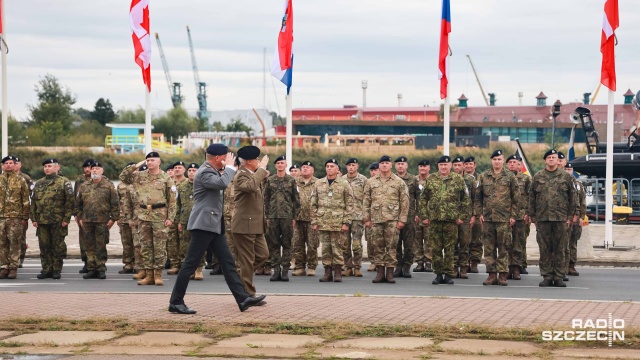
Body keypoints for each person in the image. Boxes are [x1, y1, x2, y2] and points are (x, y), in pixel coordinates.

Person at [168, 144, 266, 314]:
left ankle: (242, 298)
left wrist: (228, 168)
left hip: (213, 224)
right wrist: (229, 167)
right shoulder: (205, 172)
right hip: (203, 225)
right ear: (217, 158)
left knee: (228, 264)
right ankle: (176, 302)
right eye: (225, 157)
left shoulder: (212, 171)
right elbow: (222, 184)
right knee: (190, 264)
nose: (228, 160)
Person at [120, 152, 177, 286]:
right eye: (148, 160)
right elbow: (123, 177)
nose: (149, 162)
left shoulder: (166, 178)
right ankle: (149, 275)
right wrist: (136, 165)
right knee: (145, 246)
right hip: (143, 215)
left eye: (152, 160)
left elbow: (173, 200)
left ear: (159, 162)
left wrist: (171, 218)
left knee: (159, 246)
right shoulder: (140, 176)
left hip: (160, 215)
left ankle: (158, 275)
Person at [529, 149, 576, 287]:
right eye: (549, 157)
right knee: (545, 248)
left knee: (560, 248)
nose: (551, 159)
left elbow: (573, 198)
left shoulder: (566, 177)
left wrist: (570, 216)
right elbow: (532, 198)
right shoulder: (538, 177)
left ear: (558, 160)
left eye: (553, 157)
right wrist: (533, 217)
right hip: (543, 219)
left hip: (561, 218)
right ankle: (547, 275)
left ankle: (559, 276)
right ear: (545, 160)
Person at [419, 155, 468, 285]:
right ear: (438, 166)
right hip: (435, 219)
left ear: (450, 165)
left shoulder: (458, 179)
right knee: (435, 248)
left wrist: (461, 216)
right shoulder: (431, 179)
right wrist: (424, 216)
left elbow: (465, 199)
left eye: (446, 165)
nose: (443, 167)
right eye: (441, 165)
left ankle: (448, 273)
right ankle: (438, 273)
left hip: (451, 220)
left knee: (450, 248)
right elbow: (423, 199)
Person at [474, 150, 519, 286]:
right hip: (488, 218)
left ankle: (503, 274)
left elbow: (516, 198)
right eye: (494, 159)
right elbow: (478, 197)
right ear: (491, 161)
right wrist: (479, 213)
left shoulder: (510, 176)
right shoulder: (483, 176)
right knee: (489, 248)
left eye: (499, 159)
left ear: (503, 160)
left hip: (504, 218)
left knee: (504, 247)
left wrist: (513, 215)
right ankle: (492, 274)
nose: (497, 162)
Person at [363, 155, 409, 284]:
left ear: (391, 165)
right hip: (376, 220)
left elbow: (404, 201)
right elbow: (366, 201)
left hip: (392, 220)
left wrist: (402, 220)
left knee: (391, 246)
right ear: (379, 165)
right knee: (377, 246)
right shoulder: (371, 182)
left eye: (386, 163)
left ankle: (389, 273)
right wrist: (366, 218)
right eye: (382, 163)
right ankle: (379, 273)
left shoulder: (398, 181)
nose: (384, 165)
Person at [232, 146, 270, 296]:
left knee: (263, 255)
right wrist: (261, 170)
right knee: (247, 261)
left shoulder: (251, 174)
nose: (259, 162)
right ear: (249, 161)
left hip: (255, 225)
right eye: (257, 159)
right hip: (244, 225)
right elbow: (251, 186)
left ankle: (240, 276)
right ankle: (248, 293)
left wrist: (260, 172)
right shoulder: (241, 175)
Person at [311, 159, 354, 282]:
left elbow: (349, 204)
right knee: (325, 249)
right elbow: (313, 203)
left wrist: (346, 222)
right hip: (323, 221)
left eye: (332, 166)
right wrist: (314, 221)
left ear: (337, 169)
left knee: (337, 248)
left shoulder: (344, 184)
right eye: (327, 166)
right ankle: (327, 272)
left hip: (338, 222)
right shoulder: (319, 183)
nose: (329, 168)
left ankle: (338, 272)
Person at [75, 162, 119, 280]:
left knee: (100, 245)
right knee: (89, 246)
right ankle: (91, 268)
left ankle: (100, 269)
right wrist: (80, 218)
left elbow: (115, 204)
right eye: (93, 169)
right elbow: (78, 204)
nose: (94, 170)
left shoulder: (109, 186)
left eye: (97, 168)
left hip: (102, 221)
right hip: (87, 221)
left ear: (102, 171)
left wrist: (113, 219)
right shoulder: (84, 186)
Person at [31, 158, 74, 280]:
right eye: (45, 166)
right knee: (44, 246)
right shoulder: (39, 183)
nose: (47, 168)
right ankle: (46, 269)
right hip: (42, 220)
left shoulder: (64, 182)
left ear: (57, 167)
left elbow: (70, 202)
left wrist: (66, 218)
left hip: (58, 220)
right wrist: (33, 218)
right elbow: (33, 202)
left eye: (49, 166)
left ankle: (56, 269)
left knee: (57, 246)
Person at [264, 155, 299, 282]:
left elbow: (296, 200)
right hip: (273, 217)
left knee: (287, 244)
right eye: (278, 163)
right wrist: (267, 216)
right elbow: (266, 199)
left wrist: (294, 217)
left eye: (282, 163)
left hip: (287, 217)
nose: (280, 165)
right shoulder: (270, 180)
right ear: (275, 166)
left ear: (285, 165)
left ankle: (285, 270)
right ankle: (276, 270)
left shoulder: (291, 180)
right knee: (274, 244)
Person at [0, 156, 30, 279]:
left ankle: (13, 267)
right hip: (1, 217)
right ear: (2, 166)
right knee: (2, 243)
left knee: (15, 242)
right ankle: (4, 266)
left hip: (15, 217)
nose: (8, 165)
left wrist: (24, 217)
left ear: (15, 165)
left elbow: (25, 200)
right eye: (6, 163)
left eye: (10, 163)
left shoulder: (20, 180)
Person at [176, 163, 205, 280]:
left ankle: (199, 269)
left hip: (199, 219)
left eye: (194, 170)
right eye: (190, 170)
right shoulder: (182, 186)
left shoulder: (203, 185)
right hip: (185, 220)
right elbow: (178, 205)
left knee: (199, 245)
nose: (191, 172)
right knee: (185, 246)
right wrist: (178, 220)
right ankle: (189, 270)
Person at [393, 156, 419, 279]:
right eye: (398, 164)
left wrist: (418, 214)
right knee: (396, 244)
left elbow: (419, 198)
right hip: (394, 216)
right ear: (395, 166)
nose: (400, 166)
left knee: (409, 245)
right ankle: (398, 266)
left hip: (410, 217)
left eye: (402, 164)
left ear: (406, 166)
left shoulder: (413, 179)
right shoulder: (392, 179)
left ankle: (407, 267)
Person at [291, 161, 319, 276]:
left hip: (312, 219)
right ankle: (300, 266)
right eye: (303, 167)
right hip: (297, 218)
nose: (305, 169)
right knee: (297, 244)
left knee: (312, 244)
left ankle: (312, 267)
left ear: (312, 170)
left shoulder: (318, 183)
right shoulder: (294, 182)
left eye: (308, 167)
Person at [507, 154, 531, 280]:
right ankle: (507, 267)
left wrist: (529, 213)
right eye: (510, 162)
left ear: (519, 165)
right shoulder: (502, 178)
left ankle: (517, 268)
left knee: (518, 243)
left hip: (520, 216)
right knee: (506, 243)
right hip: (505, 216)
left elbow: (530, 197)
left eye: (514, 162)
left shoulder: (526, 179)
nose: (512, 164)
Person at [342, 158, 367, 277]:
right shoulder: (341, 180)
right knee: (345, 243)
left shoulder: (363, 180)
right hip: (344, 217)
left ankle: (357, 267)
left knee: (356, 244)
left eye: (353, 165)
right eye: (349, 165)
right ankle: (348, 267)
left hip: (358, 216)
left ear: (357, 167)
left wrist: (366, 215)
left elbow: (367, 198)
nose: (351, 167)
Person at [451, 156, 475, 279]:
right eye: (455, 165)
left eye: (459, 165)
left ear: (463, 166)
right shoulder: (449, 179)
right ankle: (454, 267)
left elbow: (475, 199)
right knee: (453, 243)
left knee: (465, 243)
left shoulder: (470, 180)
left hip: (466, 216)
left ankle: (464, 268)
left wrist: (473, 215)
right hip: (452, 216)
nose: (457, 167)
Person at [564, 163, 586, 277]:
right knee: (564, 243)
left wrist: (582, 217)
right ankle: (563, 266)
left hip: (576, 218)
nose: (568, 171)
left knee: (573, 242)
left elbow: (582, 201)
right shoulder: (562, 183)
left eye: (570, 169)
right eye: (566, 169)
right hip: (565, 216)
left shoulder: (578, 185)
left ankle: (571, 265)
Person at [167, 161, 188, 274]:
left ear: (184, 170)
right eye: (175, 167)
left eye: (180, 167)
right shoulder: (169, 183)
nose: (177, 169)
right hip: (171, 216)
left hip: (183, 216)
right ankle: (174, 264)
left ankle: (183, 264)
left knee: (183, 241)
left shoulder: (187, 183)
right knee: (172, 241)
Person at [74, 158, 94, 273]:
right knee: (83, 240)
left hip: (97, 216)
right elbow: (76, 198)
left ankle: (96, 263)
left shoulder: (100, 179)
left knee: (96, 240)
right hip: (83, 216)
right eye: (85, 167)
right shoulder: (80, 179)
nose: (87, 169)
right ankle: (86, 262)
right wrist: (76, 214)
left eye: (89, 167)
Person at [117, 162, 137, 274]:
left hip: (137, 218)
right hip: (124, 218)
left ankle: (139, 264)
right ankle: (128, 264)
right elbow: (118, 202)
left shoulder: (139, 183)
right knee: (126, 242)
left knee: (138, 243)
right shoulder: (121, 185)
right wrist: (118, 216)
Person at [413, 159, 433, 273]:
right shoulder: (414, 180)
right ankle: (419, 262)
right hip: (417, 216)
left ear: (429, 168)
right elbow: (412, 199)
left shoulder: (433, 180)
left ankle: (429, 262)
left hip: (429, 215)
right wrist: (415, 214)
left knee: (429, 239)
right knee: (417, 240)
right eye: (420, 166)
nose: (422, 169)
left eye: (425, 167)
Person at [464, 156, 483, 273]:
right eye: (466, 164)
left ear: (475, 165)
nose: (468, 166)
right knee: (465, 240)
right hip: (465, 214)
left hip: (477, 213)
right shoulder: (461, 179)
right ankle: (465, 262)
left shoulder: (480, 178)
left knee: (476, 239)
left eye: (471, 164)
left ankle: (474, 262)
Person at [15, 157, 32, 268]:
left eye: (16, 163)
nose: (14, 165)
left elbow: (31, 196)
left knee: (21, 237)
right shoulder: (2, 178)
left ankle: (20, 258)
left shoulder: (25, 178)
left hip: (20, 213)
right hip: (5, 214)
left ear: (20, 165)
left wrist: (27, 215)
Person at [365, 162, 380, 272]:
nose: (374, 172)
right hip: (370, 217)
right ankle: (373, 261)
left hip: (382, 217)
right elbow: (365, 201)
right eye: (372, 170)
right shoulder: (368, 183)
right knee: (370, 241)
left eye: (376, 170)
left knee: (381, 241)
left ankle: (381, 262)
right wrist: (366, 218)